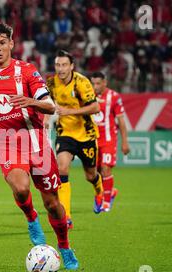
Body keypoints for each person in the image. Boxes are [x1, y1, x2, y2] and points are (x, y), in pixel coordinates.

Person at [0, 23, 78, 270]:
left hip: (36, 143)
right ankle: (32, 219)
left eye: (2, 43)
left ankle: (64, 246)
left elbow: (50, 106)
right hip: (7, 143)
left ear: (11, 44)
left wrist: (29, 101)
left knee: (52, 204)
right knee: (20, 188)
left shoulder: (28, 71)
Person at [45, 50, 104, 225]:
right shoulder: (51, 83)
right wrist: (46, 119)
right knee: (62, 169)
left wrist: (70, 111)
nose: (61, 69)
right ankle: (66, 216)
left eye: (64, 65)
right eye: (58, 65)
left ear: (71, 66)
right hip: (65, 133)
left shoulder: (82, 82)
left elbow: (95, 108)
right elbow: (47, 104)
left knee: (90, 175)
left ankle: (99, 190)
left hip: (86, 134)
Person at [90, 72, 130, 212]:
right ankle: (108, 192)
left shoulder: (114, 97)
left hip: (108, 140)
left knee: (106, 168)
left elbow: (121, 121)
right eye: (93, 83)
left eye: (98, 83)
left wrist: (125, 142)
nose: (95, 86)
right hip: (92, 140)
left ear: (105, 83)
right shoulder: (87, 96)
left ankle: (106, 203)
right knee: (95, 173)